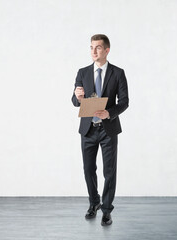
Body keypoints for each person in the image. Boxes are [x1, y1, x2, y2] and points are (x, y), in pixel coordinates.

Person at [71, 34, 129, 226]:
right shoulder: (82, 72)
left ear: (106, 50)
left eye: (97, 48)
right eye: (91, 47)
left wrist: (109, 113)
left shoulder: (118, 73)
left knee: (109, 172)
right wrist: (77, 97)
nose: (93, 51)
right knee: (88, 169)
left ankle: (106, 210)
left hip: (108, 130)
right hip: (88, 129)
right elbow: (74, 101)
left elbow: (125, 102)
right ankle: (93, 202)